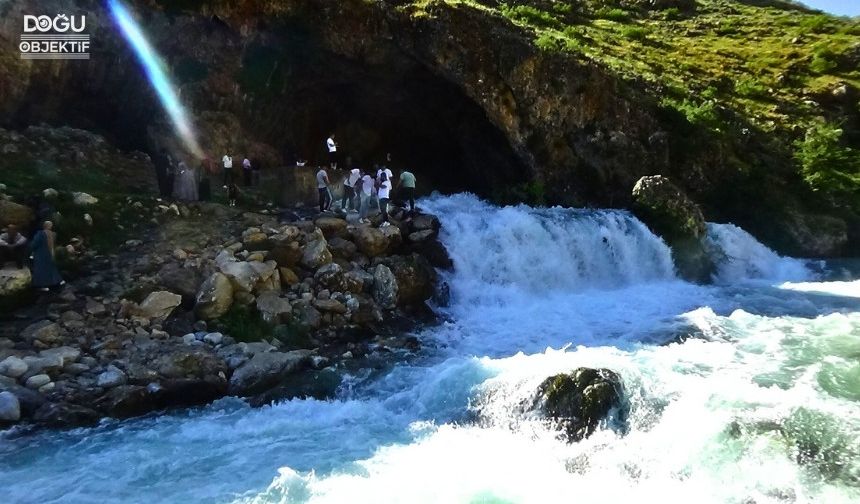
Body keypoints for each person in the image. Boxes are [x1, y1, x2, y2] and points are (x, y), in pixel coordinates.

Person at [30, 221, 64, 291]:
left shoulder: (40, 233)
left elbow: (34, 244)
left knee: (40, 270)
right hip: (51, 254)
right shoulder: (53, 234)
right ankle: (57, 282)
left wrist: (31, 250)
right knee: (51, 268)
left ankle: (41, 286)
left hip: (41, 254)